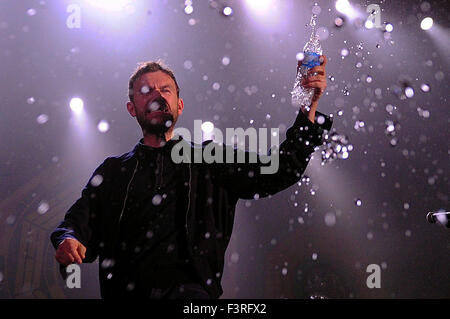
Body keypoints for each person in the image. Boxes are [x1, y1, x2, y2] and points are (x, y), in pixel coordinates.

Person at [50, 57, 332, 299]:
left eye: (165, 90)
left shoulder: (210, 160)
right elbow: (77, 223)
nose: (157, 95)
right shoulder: (112, 172)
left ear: (179, 105)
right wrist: (69, 240)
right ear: (132, 108)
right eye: (146, 90)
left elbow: (279, 168)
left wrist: (309, 106)